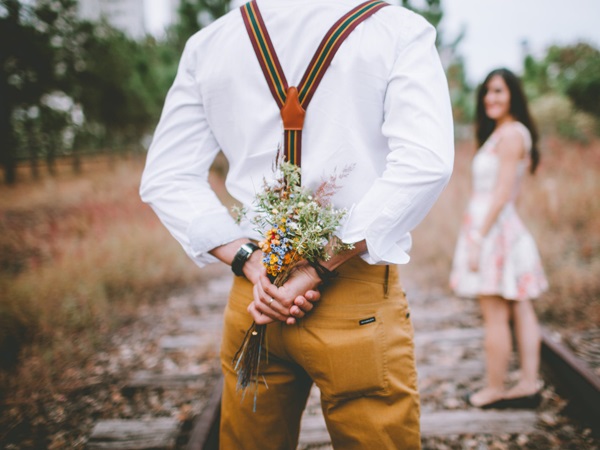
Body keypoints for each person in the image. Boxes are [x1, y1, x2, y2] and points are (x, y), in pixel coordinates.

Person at [140, 0, 453, 448]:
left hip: (257, 297)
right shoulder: (396, 29)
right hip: (353, 292)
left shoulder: (210, 44)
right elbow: (425, 163)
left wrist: (250, 261)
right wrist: (316, 266)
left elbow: (166, 177)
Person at [450, 68, 548, 409]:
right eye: (487, 93)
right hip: (500, 227)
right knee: (520, 307)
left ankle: (495, 389)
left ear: (513, 95)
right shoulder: (508, 133)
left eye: (498, 91)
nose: (490, 98)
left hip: (492, 231)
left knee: (495, 313)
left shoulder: (510, 135)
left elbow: (503, 191)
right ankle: (526, 383)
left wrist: (478, 237)